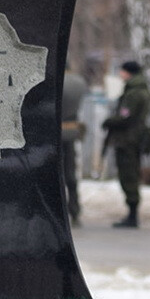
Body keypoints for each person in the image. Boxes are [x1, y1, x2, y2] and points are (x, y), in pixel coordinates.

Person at [101, 60, 150, 228]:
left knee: (128, 175)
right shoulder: (141, 90)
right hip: (134, 138)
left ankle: (132, 215)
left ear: (128, 72)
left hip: (127, 140)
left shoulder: (133, 93)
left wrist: (109, 121)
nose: (120, 74)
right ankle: (132, 214)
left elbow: (125, 116)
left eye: (122, 71)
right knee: (131, 174)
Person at [60, 68, 88, 226]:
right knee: (71, 175)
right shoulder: (78, 83)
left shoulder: (56, 80)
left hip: (55, 132)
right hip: (71, 131)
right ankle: (75, 210)